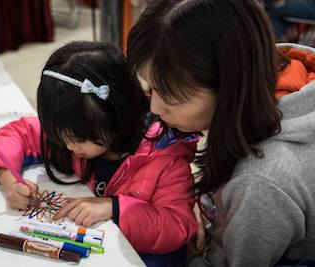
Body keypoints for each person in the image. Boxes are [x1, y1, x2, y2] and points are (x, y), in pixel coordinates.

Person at [0, 41, 199, 266]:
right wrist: (8, 179)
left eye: (76, 139)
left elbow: (177, 225)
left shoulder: (166, 156)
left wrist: (114, 207)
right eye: (61, 137)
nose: (68, 147)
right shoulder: (77, 130)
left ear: (115, 115)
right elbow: (18, 133)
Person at [127, 0, 315, 266]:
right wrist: (205, 206)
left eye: (170, 94)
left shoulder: (259, 182)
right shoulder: (277, 75)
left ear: (229, 86)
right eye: (151, 88)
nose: (155, 107)